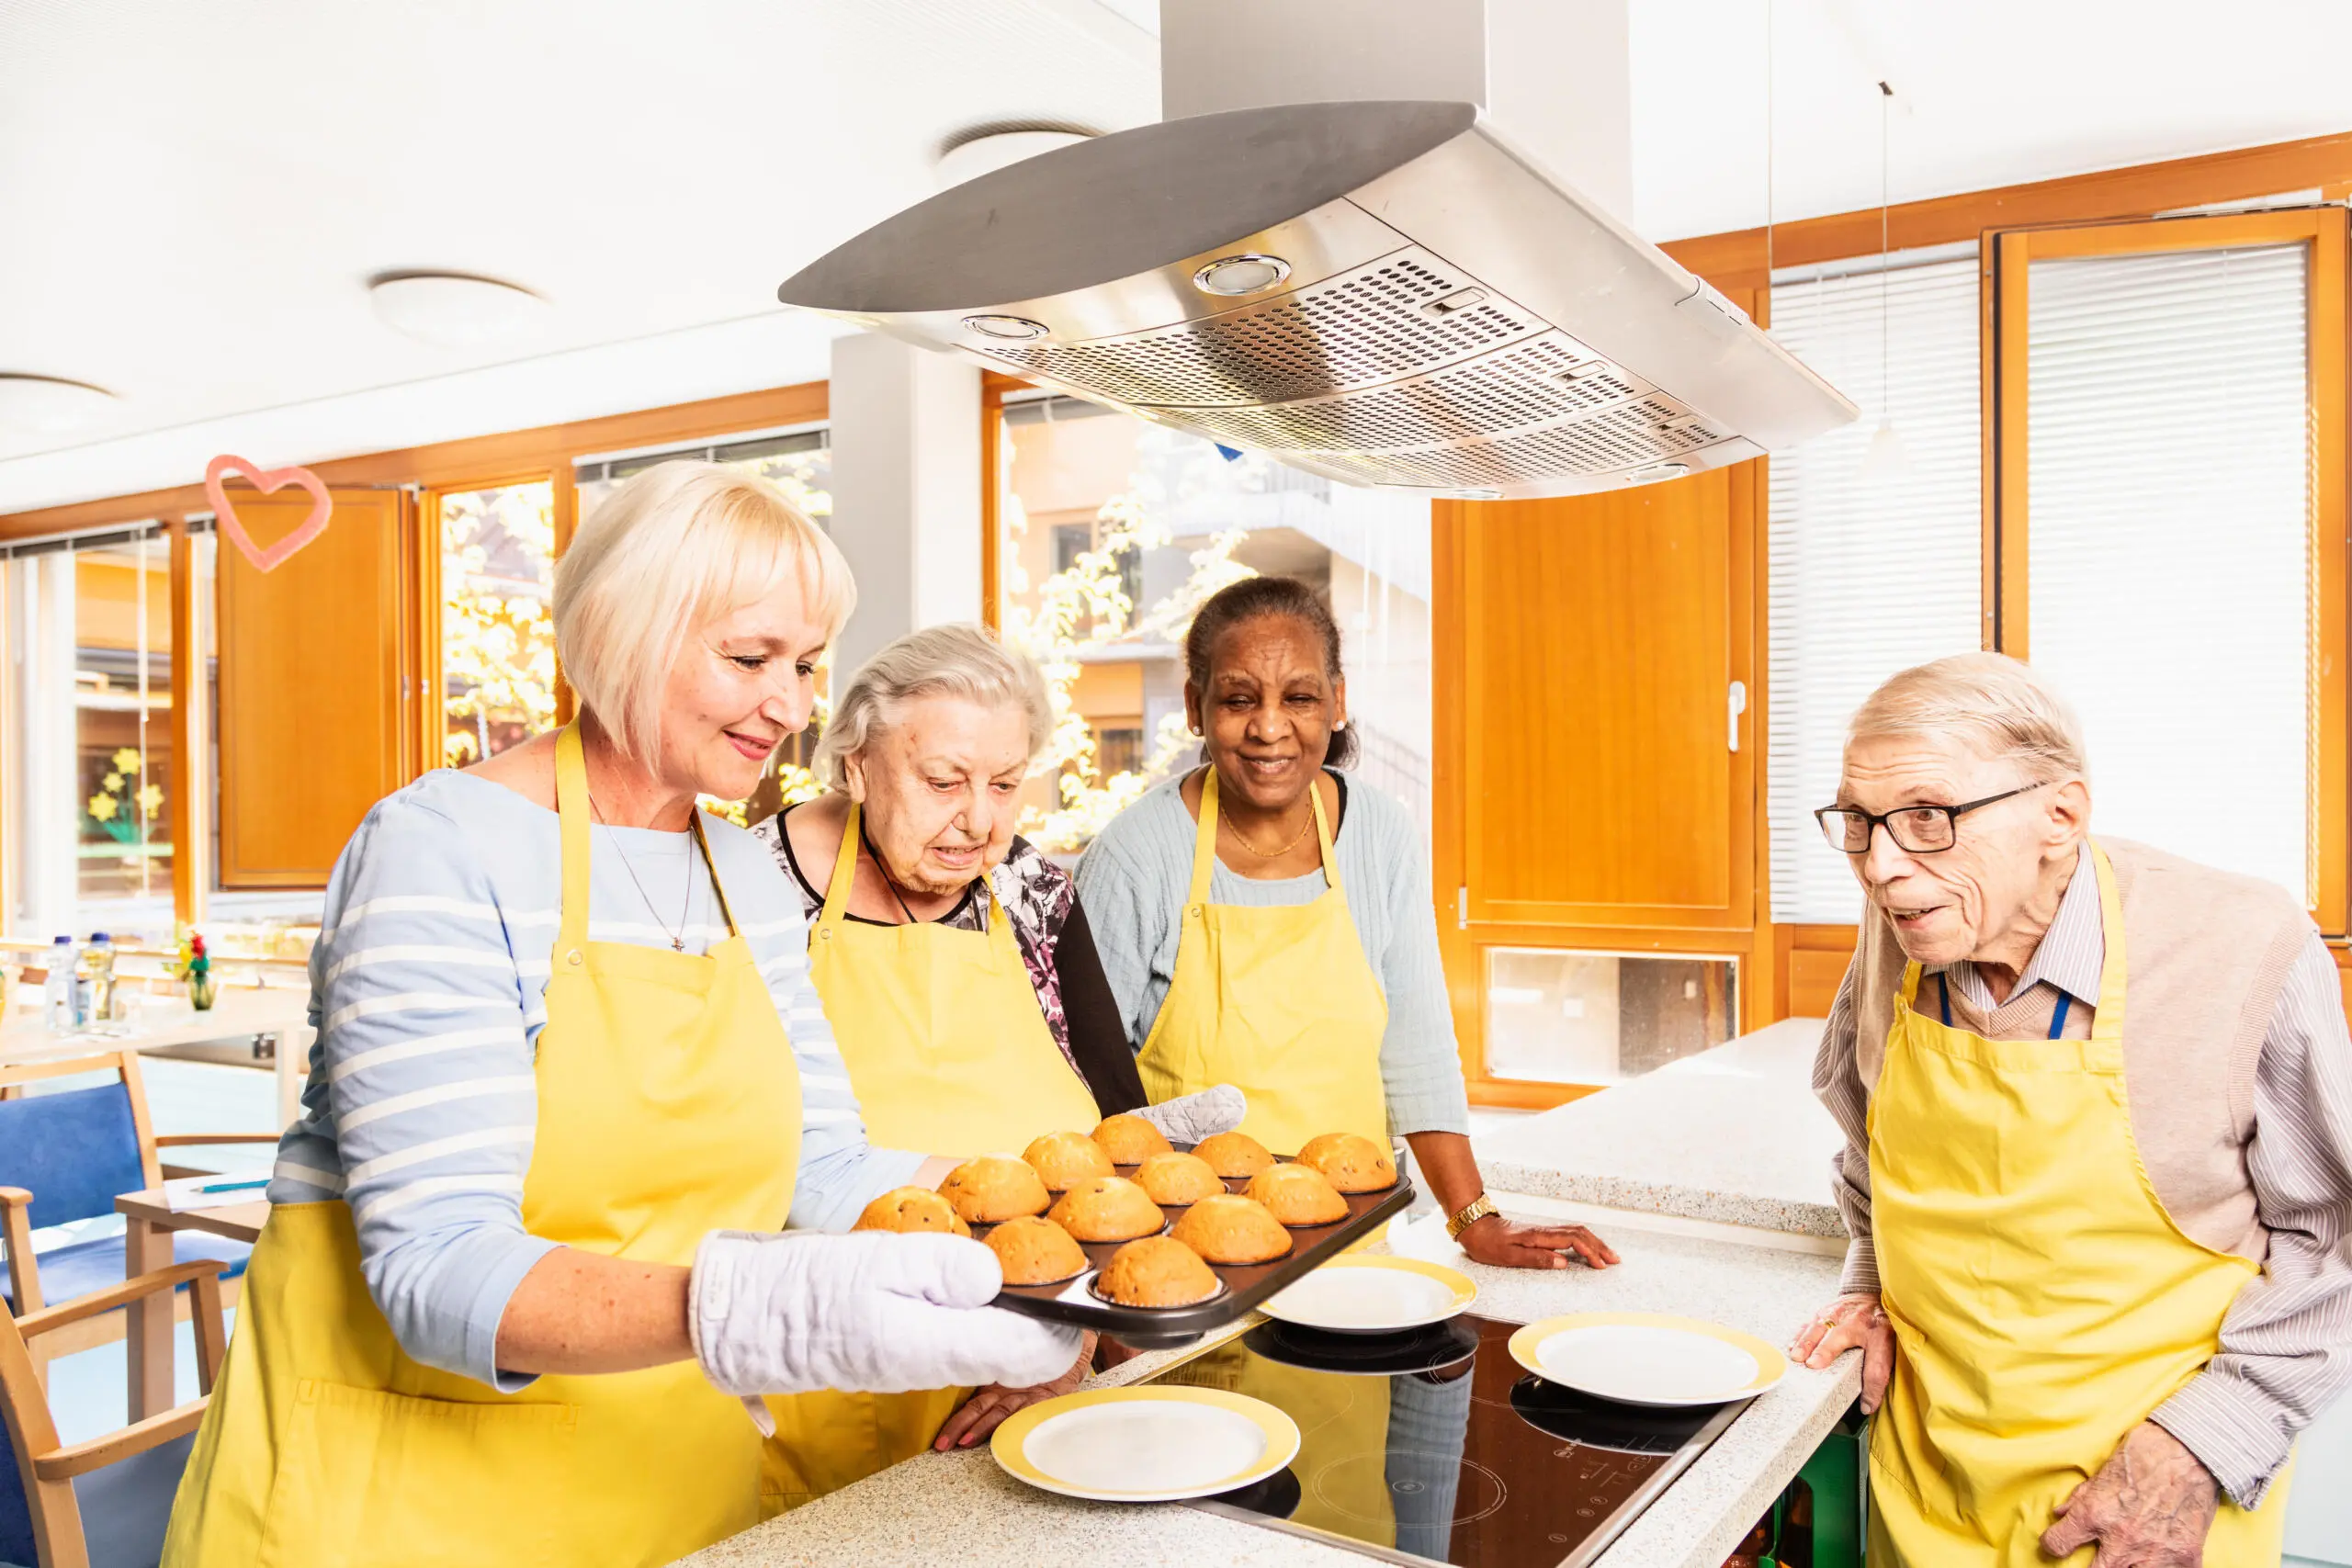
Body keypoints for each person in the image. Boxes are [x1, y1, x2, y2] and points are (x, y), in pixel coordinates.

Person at [164, 463, 1079, 1568]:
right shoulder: (443, 848)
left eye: (801, 665)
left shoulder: (740, 873)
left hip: (673, 1496)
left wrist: (1063, 1220)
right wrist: (759, 1315)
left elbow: (825, 1168)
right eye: (748, 659)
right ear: (625, 630)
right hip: (404, 1508)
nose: (789, 707)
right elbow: (436, 1263)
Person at [1792, 652, 2352, 1568]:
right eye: (1858, 822)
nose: (1881, 867)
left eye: (1928, 819)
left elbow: (2333, 1236)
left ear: (2060, 816)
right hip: (1928, 1487)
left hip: (2148, 1493)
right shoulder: (1911, 923)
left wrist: (2205, 1439)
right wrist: (1867, 1285)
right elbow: (1870, 1141)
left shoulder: (2242, 947)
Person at [750, 623, 1237, 1502]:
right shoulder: (750, 893)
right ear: (854, 764)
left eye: (1006, 784)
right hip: (825, 1379)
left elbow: (1115, 1138)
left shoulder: (1031, 890)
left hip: (1033, 1379)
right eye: (944, 782)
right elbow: (735, 1161)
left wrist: (1075, 1336)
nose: (981, 820)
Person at [1079, 575, 1616, 1272]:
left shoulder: (1381, 832)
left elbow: (1416, 1044)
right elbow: (1080, 1089)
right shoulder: (1135, 855)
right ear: (1195, 707)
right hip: (1187, 1265)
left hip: (1353, 1256)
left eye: (1298, 697)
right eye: (1240, 698)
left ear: (1336, 702)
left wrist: (1475, 1217)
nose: (1270, 727)